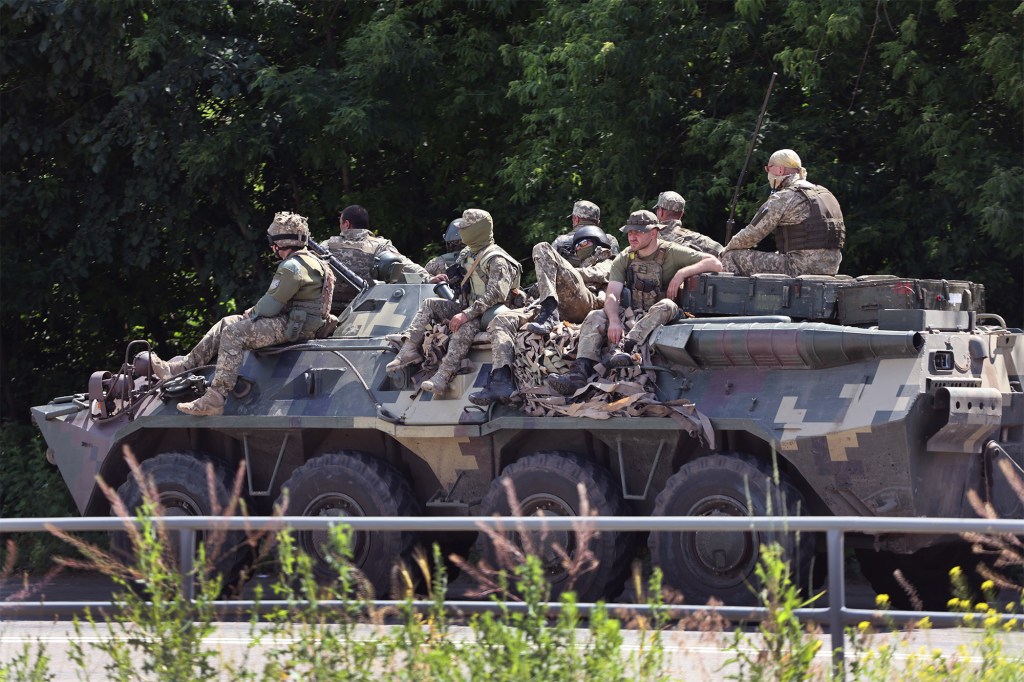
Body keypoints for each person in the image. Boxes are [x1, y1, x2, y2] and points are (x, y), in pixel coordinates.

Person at [146, 212, 334, 416]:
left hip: (294, 328)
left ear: (280, 243)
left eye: (272, 242)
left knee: (234, 333)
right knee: (227, 322)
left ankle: (215, 398)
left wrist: (251, 313)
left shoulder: (292, 267)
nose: (272, 247)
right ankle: (180, 368)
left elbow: (270, 307)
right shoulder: (316, 262)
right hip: (298, 323)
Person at [546, 210, 723, 396]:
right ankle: (578, 374)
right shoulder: (625, 257)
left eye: (638, 232)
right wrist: (613, 320)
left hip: (663, 315)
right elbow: (613, 294)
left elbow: (715, 263)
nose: (632, 236)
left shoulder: (671, 252)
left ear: (654, 233)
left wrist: (681, 273)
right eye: (630, 232)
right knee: (595, 315)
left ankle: (626, 348)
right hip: (634, 314)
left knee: (667, 305)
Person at [386, 208, 521, 395]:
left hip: (492, 313)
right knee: (430, 304)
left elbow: (496, 295)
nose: (461, 233)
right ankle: (408, 350)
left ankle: (442, 377)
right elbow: (462, 278)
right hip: (469, 307)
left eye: (466, 228)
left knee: (463, 328)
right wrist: (439, 279)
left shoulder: (496, 259)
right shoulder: (468, 253)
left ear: (477, 231)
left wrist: (465, 315)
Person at [720, 149, 845, 276]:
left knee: (731, 257)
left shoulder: (784, 197)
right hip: (830, 268)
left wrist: (726, 249)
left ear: (779, 170)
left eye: (769, 169)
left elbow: (751, 235)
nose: (768, 174)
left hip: (799, 268)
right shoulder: (826, 194)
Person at [326, 204, 430, 310]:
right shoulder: (379, 246)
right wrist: (428, 278)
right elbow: (405, 266)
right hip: (363, 313)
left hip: (330, 313)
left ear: (347, 224)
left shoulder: (327, 245)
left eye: (340, 223)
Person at [526, 223, 617, 337]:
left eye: (583, 243)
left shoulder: (609, 262)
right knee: (506, 318)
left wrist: (556, 271)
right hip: (568, 306)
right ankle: (549, 311)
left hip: (590, 304)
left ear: (598, 242)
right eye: (576, 246)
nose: (578, 247)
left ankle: (550, 316)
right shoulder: (583, 264)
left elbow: (595, 274)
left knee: (542, 248)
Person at [551, 200, 620, 268]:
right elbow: (617, 268)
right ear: (598, 222)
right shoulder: (609, 240)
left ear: (576, 219)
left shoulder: (560, 242)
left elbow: (550, 269)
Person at [653, 191, 724, 255]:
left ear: (661, 212)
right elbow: (723, 252)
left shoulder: (648, 237)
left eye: (657, 209)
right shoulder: (698, 240)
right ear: (682, 214)